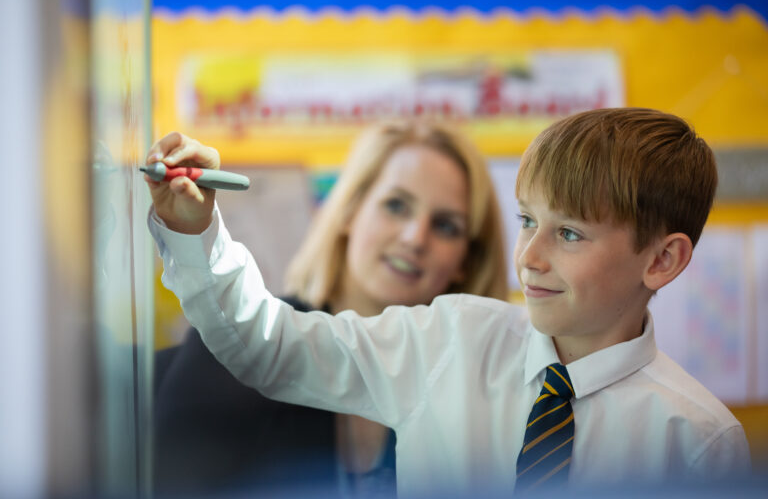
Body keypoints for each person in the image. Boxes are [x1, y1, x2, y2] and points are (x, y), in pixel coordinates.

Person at [145, 108, 751, 497]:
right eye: (527, 221)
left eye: (568, 233)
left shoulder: (697, 441)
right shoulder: (450, 337)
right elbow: (269, 345)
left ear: (662, 260)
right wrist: (200, 234)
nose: (530, 257)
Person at [151, 119, 509, 497]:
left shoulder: (471, 395)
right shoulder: (241, 341)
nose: (415, 238)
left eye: (446, 226)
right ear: (349, 211)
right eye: (396, 205)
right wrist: (192, 225)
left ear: (467, 261)